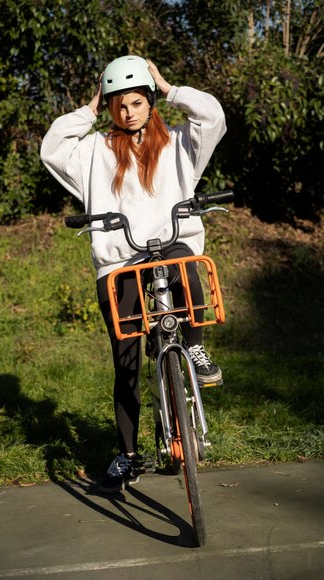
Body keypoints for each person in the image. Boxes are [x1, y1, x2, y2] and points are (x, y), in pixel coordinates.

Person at [41, 55, 226, 493]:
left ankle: (195, 350)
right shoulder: (95, 151)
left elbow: (213, 115)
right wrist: (87, 110)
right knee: (125, 361)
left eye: (137, 102)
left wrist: (167, 86)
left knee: (186, 265)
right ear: (109, 108)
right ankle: (128, 455)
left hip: (170, 243)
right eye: (118, 105)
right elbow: (52, 148)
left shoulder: (180, 142)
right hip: (121, 260)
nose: (128, 112)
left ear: (149, 103)